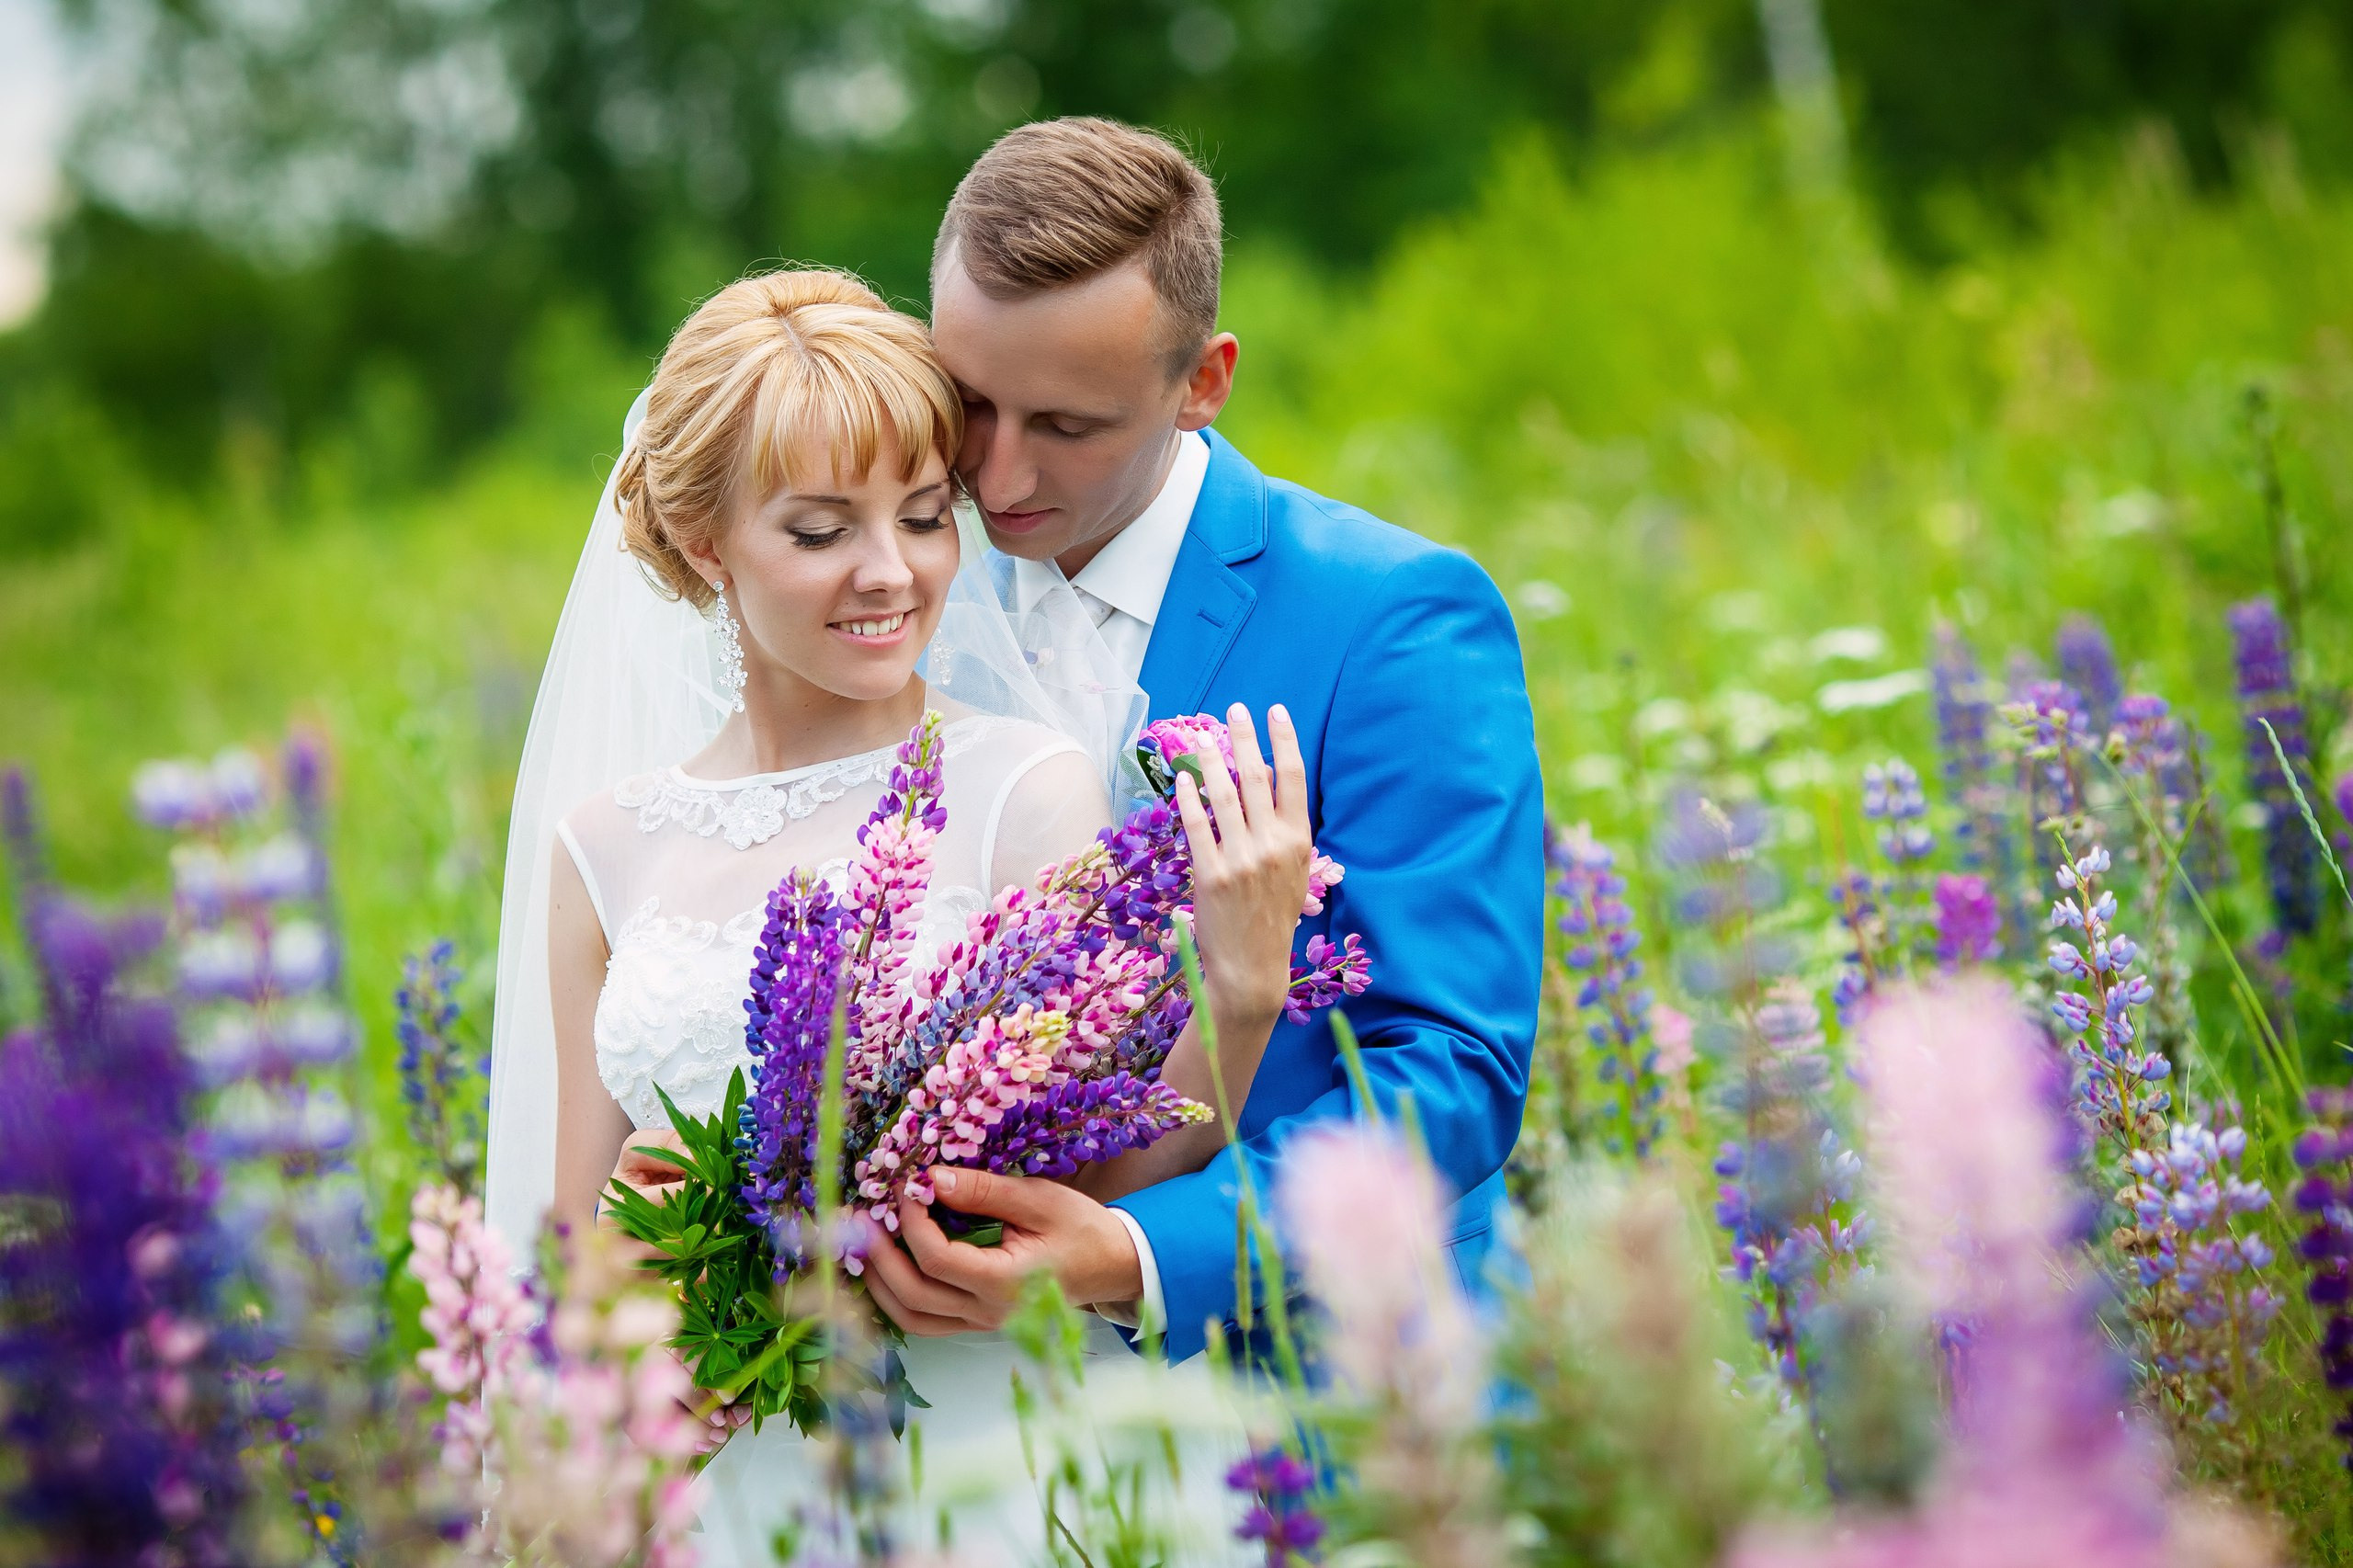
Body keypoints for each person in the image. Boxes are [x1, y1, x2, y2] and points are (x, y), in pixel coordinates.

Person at [486, 267, 1314, 1562]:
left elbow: (1099, 1180)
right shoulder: (604, 843)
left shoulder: (1020, 788)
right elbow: (578, 1241)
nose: (892, 572)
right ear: (708, 545)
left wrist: (1242, 995)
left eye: (926, 516)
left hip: (970, 1462)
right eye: (820, 532)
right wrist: (640, 1338)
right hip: (726, 1492)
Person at [876, 118, 1545, 1366]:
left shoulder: (1393, 619)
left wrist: (1134, 1254)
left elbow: (1451, 1065)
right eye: (969, 403)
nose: (999, 474)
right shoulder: (887, 599)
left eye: (1068, 425)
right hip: (954, 1399)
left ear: (1203, 381)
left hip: (1317, 1383)